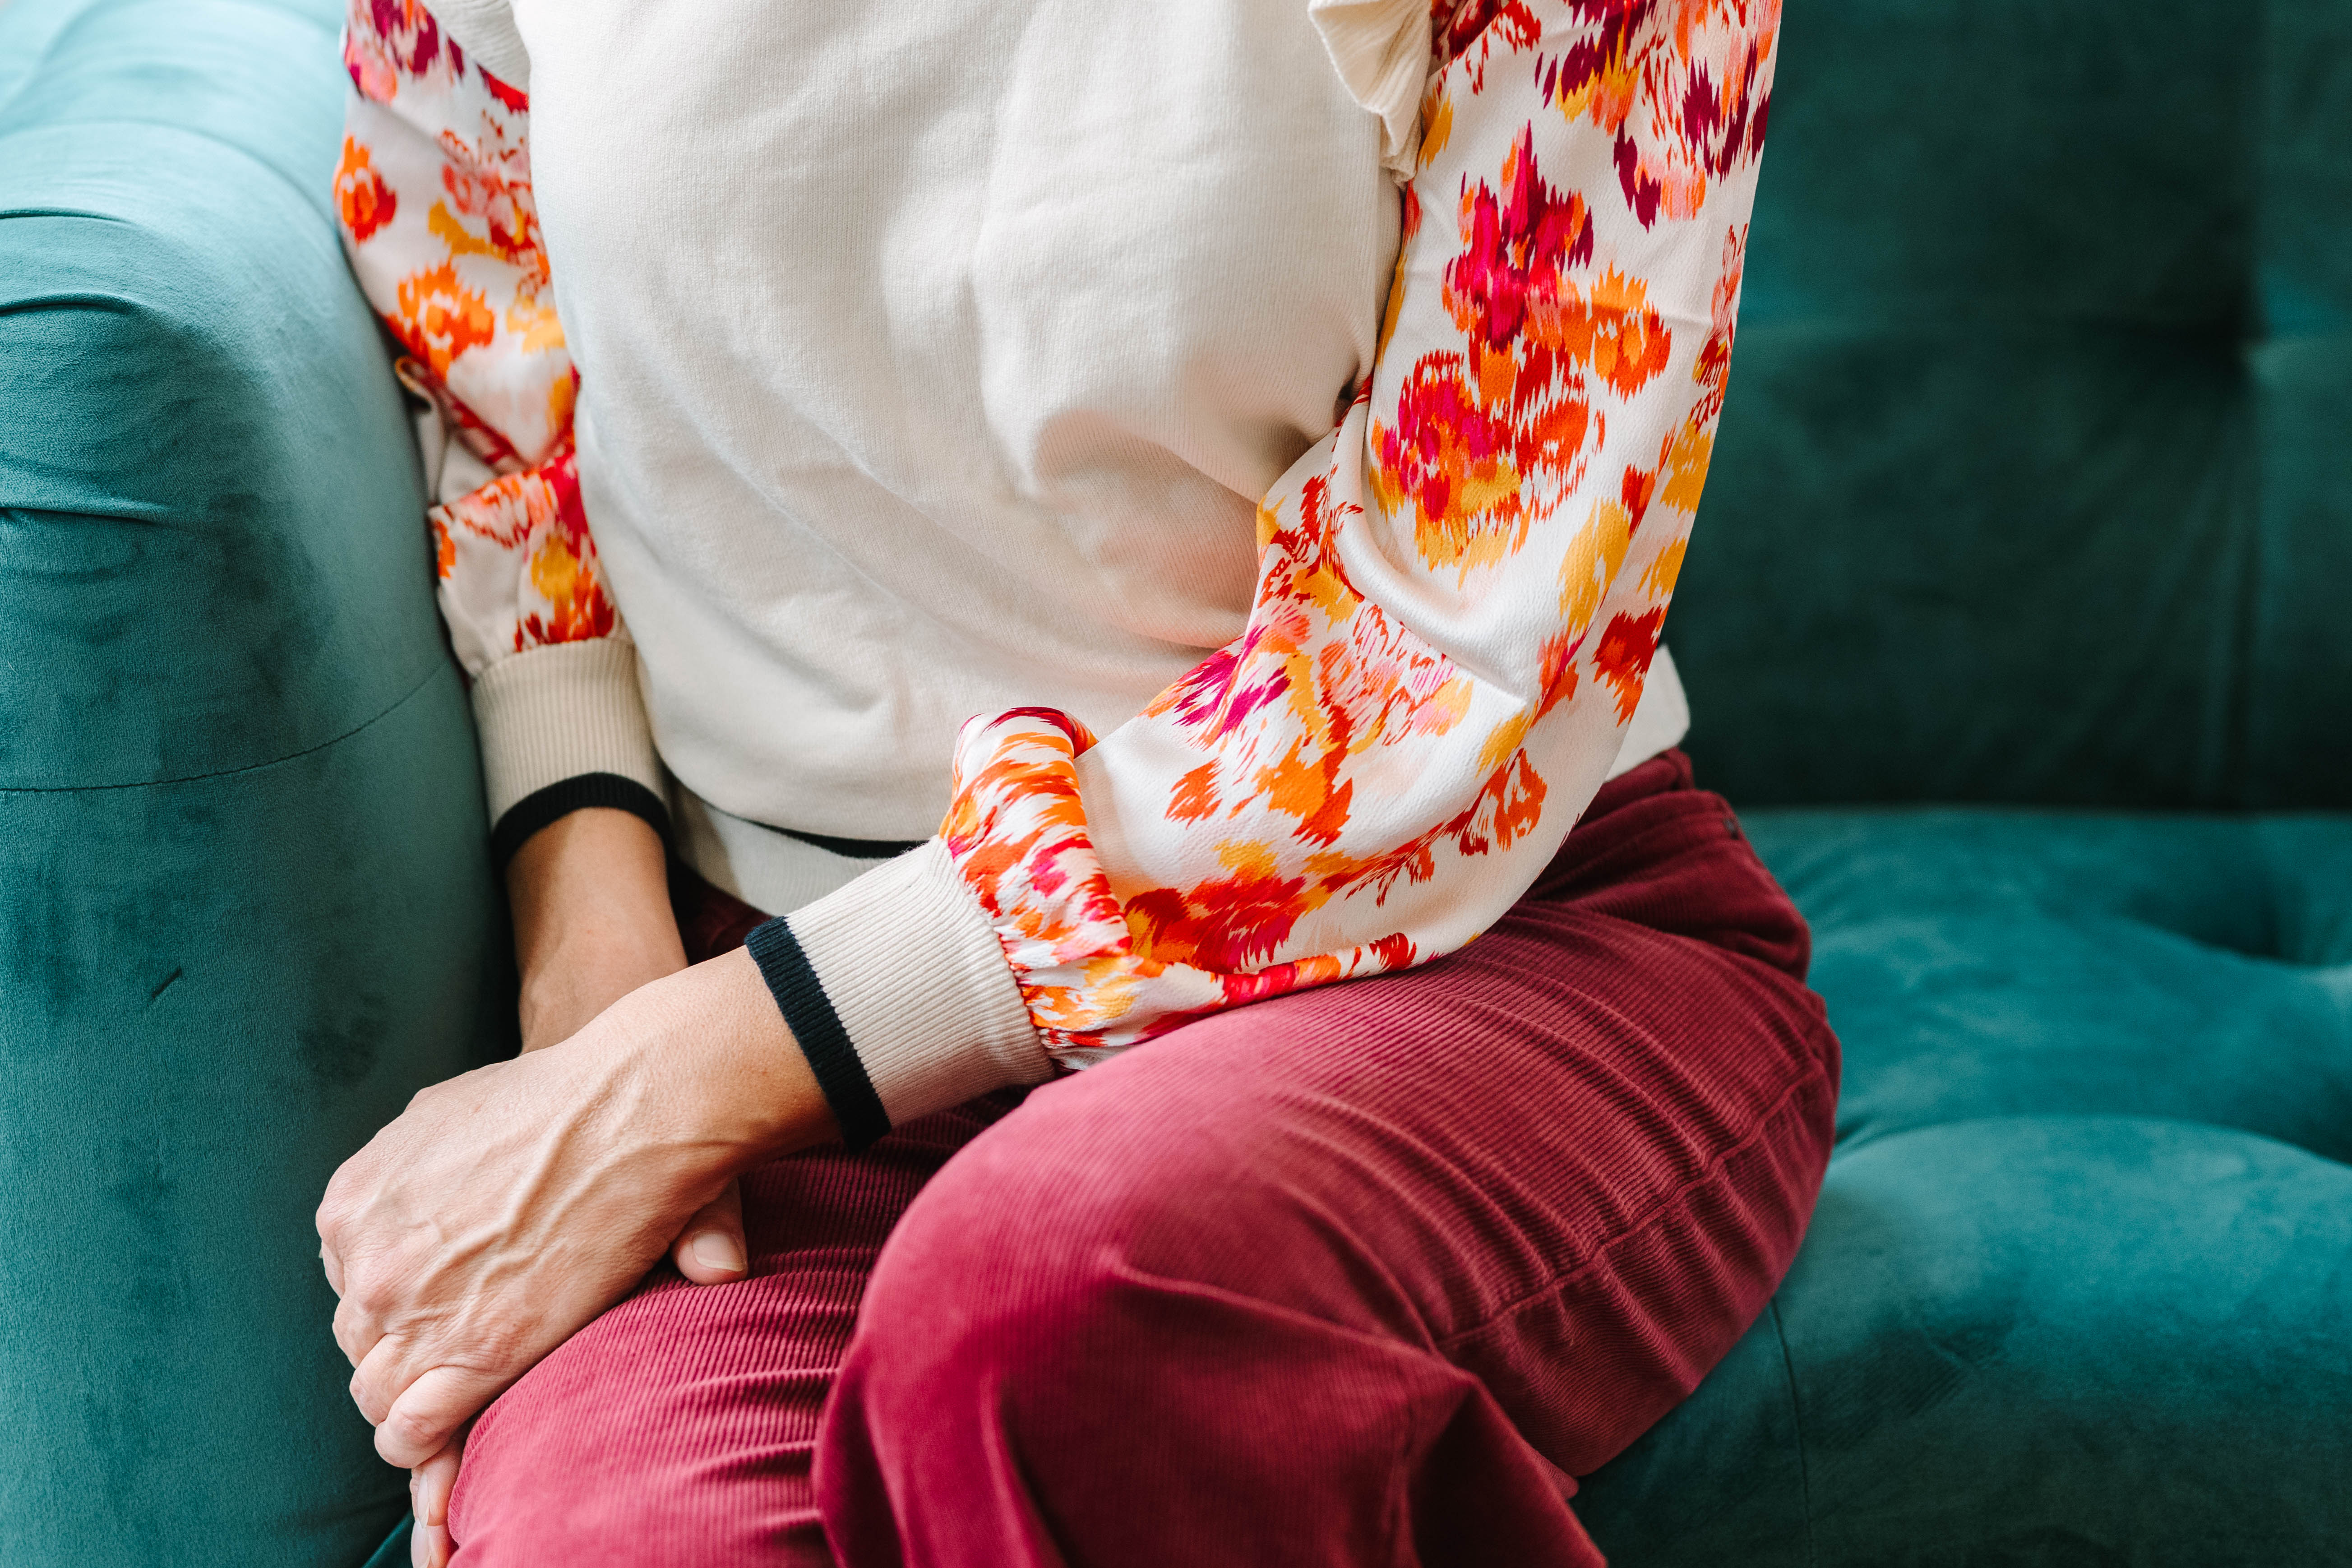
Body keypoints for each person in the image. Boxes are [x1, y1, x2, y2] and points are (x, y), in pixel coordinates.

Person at [317, 0, 1832, 1563]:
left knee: (1053, 1300)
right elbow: (474, 258)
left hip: (1458, 933)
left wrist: (680, 1075)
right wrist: (589, 927)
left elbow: (1466, 625)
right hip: (756, 984)